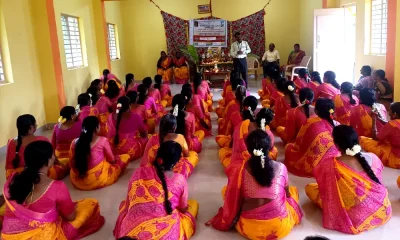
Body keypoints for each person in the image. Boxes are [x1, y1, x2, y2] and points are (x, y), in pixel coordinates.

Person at [207, 130, 303, 239]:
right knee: (293, 191)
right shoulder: (281, 167)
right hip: (279, 227)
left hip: (249, 228)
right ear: (270, 147)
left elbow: (233, 198)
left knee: (226, 191)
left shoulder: (239, 169)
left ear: (248, 149)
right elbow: (287, 195)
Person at [2, 141, 105, 239]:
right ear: (48, 160)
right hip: (44, 236)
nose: (54, 157)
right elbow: (71, 217)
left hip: (10, 236)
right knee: (91, 204)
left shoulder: (13, 179)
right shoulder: (57, 187)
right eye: (52, 155)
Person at [305, 125, 391, 234]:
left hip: (354, 218)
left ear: (336, 145)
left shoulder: (329, 164)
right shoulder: (373, 157)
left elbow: (324, 188)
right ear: (357, 141)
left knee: (310, 188)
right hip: (382, 210)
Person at [114, 141, 199, 239]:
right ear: (178, 161)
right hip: (165, 234)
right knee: (193, 205)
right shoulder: (179, 179)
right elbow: (183, 208)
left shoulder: (138, 172)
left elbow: (128, 205)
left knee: (124, 205)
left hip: (129, 232)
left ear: (157, 155)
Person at [70, 116, 130, 190]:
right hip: (95, 180)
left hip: (78, 180)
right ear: (96, 129)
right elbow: (111, 160)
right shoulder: (102, 141)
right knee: (125, 157)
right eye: (99, 125)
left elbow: (72, 161)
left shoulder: (74, 142)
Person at [284, 98, 339, 177]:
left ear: (316, 111)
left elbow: (298, 143)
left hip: (311, 166)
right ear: (332, 111)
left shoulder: (309, 122)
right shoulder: (338, 125)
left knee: (288, 147)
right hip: (332, 164)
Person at [219, 97, 278, 169]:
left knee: (222, 150)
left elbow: (232, 138)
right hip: (259, 162)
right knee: (274, 150)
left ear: (258, 115)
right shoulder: (268, 133)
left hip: (241, 161)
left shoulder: (242, 125)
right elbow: (270, 148)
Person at [6, 115, 68, 180]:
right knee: (63, 167)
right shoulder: (41, 140)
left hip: (17, 176)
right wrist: (60, 165)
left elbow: (8, 166)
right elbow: (52, 159)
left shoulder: (11, 142)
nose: (36, 125)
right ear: (31, 127)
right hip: (37, 175)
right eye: (35, 124)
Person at [140, 114, 199, 179]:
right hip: (173, 172)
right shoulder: (180, 137)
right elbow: (186, 154)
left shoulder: (153, 138)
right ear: (175, 127)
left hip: (156, 170)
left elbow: (146, 158)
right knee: (194, 155)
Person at [106, 96, 148, 161]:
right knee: (147, 137)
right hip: (130, 151)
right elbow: (143, 134)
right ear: (129, 105)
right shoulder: (136, 117)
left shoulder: (110, 116)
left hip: (113, 150)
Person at [360, 102, 400, 169]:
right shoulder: (392, 124)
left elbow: (375, 137)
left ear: (394, 114)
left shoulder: (391, 124)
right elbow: (391, 124)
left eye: (390, 111)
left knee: (363, 139)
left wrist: (374, 120)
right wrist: (378, 118)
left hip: (396, 158)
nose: (388, 113)